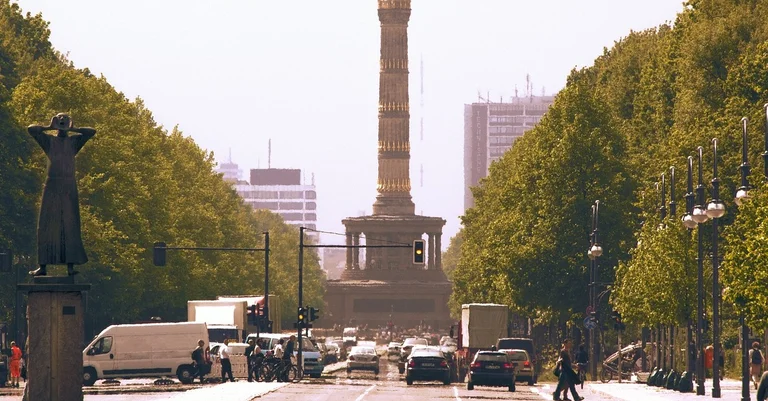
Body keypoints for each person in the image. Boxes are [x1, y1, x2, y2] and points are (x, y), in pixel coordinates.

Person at [27, 113, 96, 276]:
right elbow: (31, 130)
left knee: (70, 225)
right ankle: (43, 266)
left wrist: (74, 128)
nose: (62, 121)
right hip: (52, 185)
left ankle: (70, 267)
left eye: (65, 119)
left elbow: (91, 132)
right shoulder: (49, 141)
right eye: (60, 119)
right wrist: (49, 127)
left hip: (68, 185)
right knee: (46, 225)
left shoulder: (74, 142)